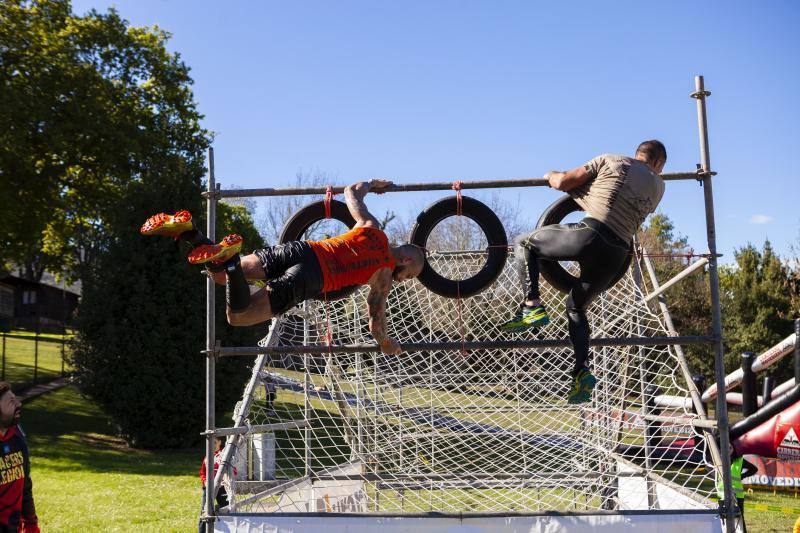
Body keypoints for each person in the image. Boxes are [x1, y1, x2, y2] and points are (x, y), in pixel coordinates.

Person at [141, 179, 426, 355]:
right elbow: (375, 321)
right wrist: (387, 344)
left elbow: (352, 191)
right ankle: (229, 262)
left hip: (301, 249)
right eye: (410, 275)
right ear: (407, 260)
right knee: (237, 317)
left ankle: (191, 232)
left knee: (218, 278)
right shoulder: (385, 276)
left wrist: (372, 183)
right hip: (310, 278)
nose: (405, 280)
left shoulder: (371, 227)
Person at [500, 141, 667, 404]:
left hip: (591, 234)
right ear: (658, 163)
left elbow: (564, 182)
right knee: (576, 308)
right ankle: (581, 371)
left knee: (523, 243)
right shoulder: (660, 187)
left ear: (638, 154)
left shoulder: (612, 160)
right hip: (616, 253)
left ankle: (531, 305)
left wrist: (550, 175)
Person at [0, 382, 38, 533]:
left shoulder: (17, 436)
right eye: (11, 401)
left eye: (15, 399)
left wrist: (31, 523)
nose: (19, 403)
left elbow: (25, 485)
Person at [198, 437, 237, 533]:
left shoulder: (224, 456)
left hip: (222, 488)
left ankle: (228, 530)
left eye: (214, 442)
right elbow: (202, 472)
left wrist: (224, 480)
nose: (212, 444)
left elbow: (234, 471)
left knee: (226, 510)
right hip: (208, 488)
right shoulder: (207, 457)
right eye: (210, 442)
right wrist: (205, 481)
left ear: (220, 442)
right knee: (205, 511)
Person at [716, 455, 757, 533]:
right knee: (724, 519)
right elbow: (708, 466)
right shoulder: (719, 458)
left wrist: (741, 476)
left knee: (739, 521)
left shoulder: (739, 460)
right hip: (723, 495)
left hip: (737, 496)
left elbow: (754, 469)